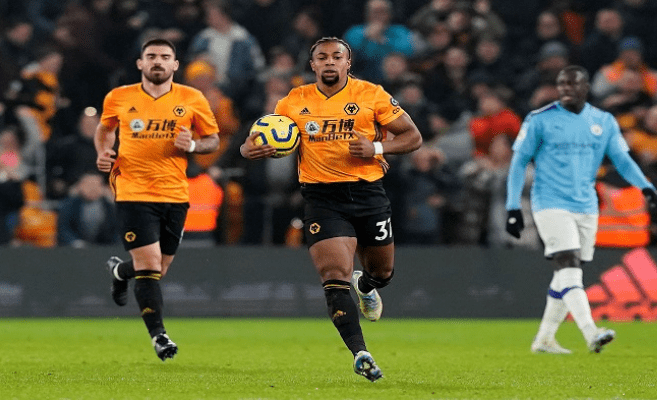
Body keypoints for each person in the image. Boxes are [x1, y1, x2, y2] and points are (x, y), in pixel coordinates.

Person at [240, 37, 422, 381]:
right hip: (322, 198)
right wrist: (248, 150)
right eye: (322, 57)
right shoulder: (293, 101)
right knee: (334, 276)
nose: (329, 62)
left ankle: (365, 286)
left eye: (336, 56)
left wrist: (377, 148)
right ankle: (360, 353)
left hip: (368, 194)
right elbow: (261, 137)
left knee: (383, 273)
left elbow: (413, 137)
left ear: (347, 63)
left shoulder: (371, 94)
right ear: (312, 65)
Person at [505, 65, 657, 354]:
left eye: (572, 84)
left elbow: (622, 160)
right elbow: (519, 162)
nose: (566, 89)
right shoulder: (540, 119)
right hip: (550, 203)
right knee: (569, 266)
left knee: (567, 273)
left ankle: (544, 339)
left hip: (587, 205)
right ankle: (591, 332)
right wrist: (513, 206)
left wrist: (645, 186)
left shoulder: (603, 121)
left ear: (586, 87)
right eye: (562, 84)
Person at [94, 38, 220, 361]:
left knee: (157, 269)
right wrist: (104, 152)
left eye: (165, 57)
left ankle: (120, 273)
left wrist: (193, 146)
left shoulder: (192, 98)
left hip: (175, 192)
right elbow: (105, 129)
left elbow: (213, 140)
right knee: (149, 265)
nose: (158, 61)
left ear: (175, 65)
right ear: (141, 63)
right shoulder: (119, 97)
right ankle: (159, 337)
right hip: (132, 190)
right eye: (151, 56)